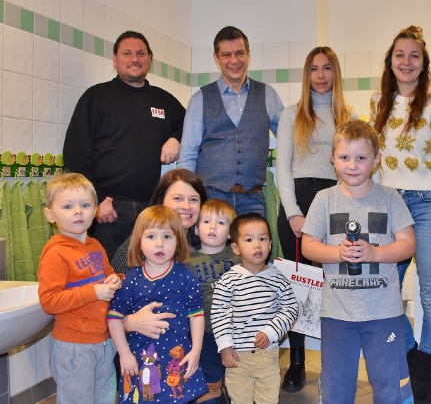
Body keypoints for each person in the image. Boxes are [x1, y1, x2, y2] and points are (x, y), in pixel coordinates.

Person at [371, 25, 431, 404]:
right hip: (391, 206)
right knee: (383, 287)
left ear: (424, 63)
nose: (406, 62)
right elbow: (372, 161)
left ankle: (424, 367)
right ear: (390, 61)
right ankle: (413, 355)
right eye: (400, 55)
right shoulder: (379, 102)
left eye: (414, 55)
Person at [301, 120, 416, 403]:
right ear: (332, 158)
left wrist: (375, 253)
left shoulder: (390, 198)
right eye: (344, 157)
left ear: (376, 160)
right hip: (337, 315)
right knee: (336, 387)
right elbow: (308, 246)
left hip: (384, 313)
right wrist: (337, 253)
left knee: (390, 386)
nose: (352, 166)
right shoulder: (323, 199)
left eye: (361, 158)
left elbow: (407, 245)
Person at [275, 46, 360, 392]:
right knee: (298, 288)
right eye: (314, 69)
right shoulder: (291, 114)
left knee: (336, 288)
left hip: (336, 204)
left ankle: (334, 363)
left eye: (327, 68)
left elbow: (357, 168)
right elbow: (282, 168)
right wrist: (293, 212)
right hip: (298, 204)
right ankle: (296, 363)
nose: (320, 75)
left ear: (336, 73)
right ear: (306, 74)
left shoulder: (351, 117)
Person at [63, 31, 186, 261]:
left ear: (149, 59)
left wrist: (175, 139)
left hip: (151, 209)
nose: (135, 59)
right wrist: (96, 200)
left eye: (141, 53)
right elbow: (75, 156)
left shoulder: (164, 100)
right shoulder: (96, 97)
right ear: (115, 59)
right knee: (107, 275)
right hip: (108, 211)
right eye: (127, 53)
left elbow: (190, 123)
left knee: (150, 274)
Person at [178, 26, 284, 217]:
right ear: (216, 58)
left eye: (239, 53)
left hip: (254, 200)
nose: (234, 61)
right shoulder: (200, 99)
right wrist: (184, 197)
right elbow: (188, 152)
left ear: (248, 54)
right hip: (211, 198)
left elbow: (289, 139)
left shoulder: (268, 95)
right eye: (226, 55)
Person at [108, 206, 207, 403]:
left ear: (178, 241)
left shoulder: (185, 275)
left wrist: (196, 350)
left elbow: (196, 314)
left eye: (167, 237)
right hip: (140, 359)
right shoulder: (131, 279)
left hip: (177, 359)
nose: (159, 244)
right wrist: (124, 354)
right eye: (151, 236)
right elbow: (114, 318)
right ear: (139, 242)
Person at [38, 173, 122, 404]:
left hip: (102, 341)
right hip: (73, 346)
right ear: (50, 215)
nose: (78, 211)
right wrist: (93, 292)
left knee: (105, 398)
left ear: (95, 210)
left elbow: (108, 273)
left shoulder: (95, 246)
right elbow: (49, 301)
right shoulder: (56, 254)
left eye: (85, 205)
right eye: (67, 206)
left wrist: (116, 279)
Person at [211, 213, 298, 404]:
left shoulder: (278, 279)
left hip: (266, 355)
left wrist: (271, 331)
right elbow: (219, 314)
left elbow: (290, 308)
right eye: (249, 240)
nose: (257, 245)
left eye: (263, 239)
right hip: (236, 357)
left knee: (268, 399)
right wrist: (225, 345)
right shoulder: (228, 280)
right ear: (236, 248)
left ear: (270, 244)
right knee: (239, 399)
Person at [188, 198, 240, 403]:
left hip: (237, 331)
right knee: (210, 375)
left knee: (237, 374)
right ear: (196, 229)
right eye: (206, 221)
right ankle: (213, 392)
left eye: (220, 222)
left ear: (230, 233)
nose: (213, 227)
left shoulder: (239, 257)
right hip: (206, 331)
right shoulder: (188, 262)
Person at [110, 169, 208, 274]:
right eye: (178, 198)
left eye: (193, 199)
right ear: (161, 201)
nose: (186, 206)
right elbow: (116, 279)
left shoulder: (208, 242)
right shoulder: (136, 244)